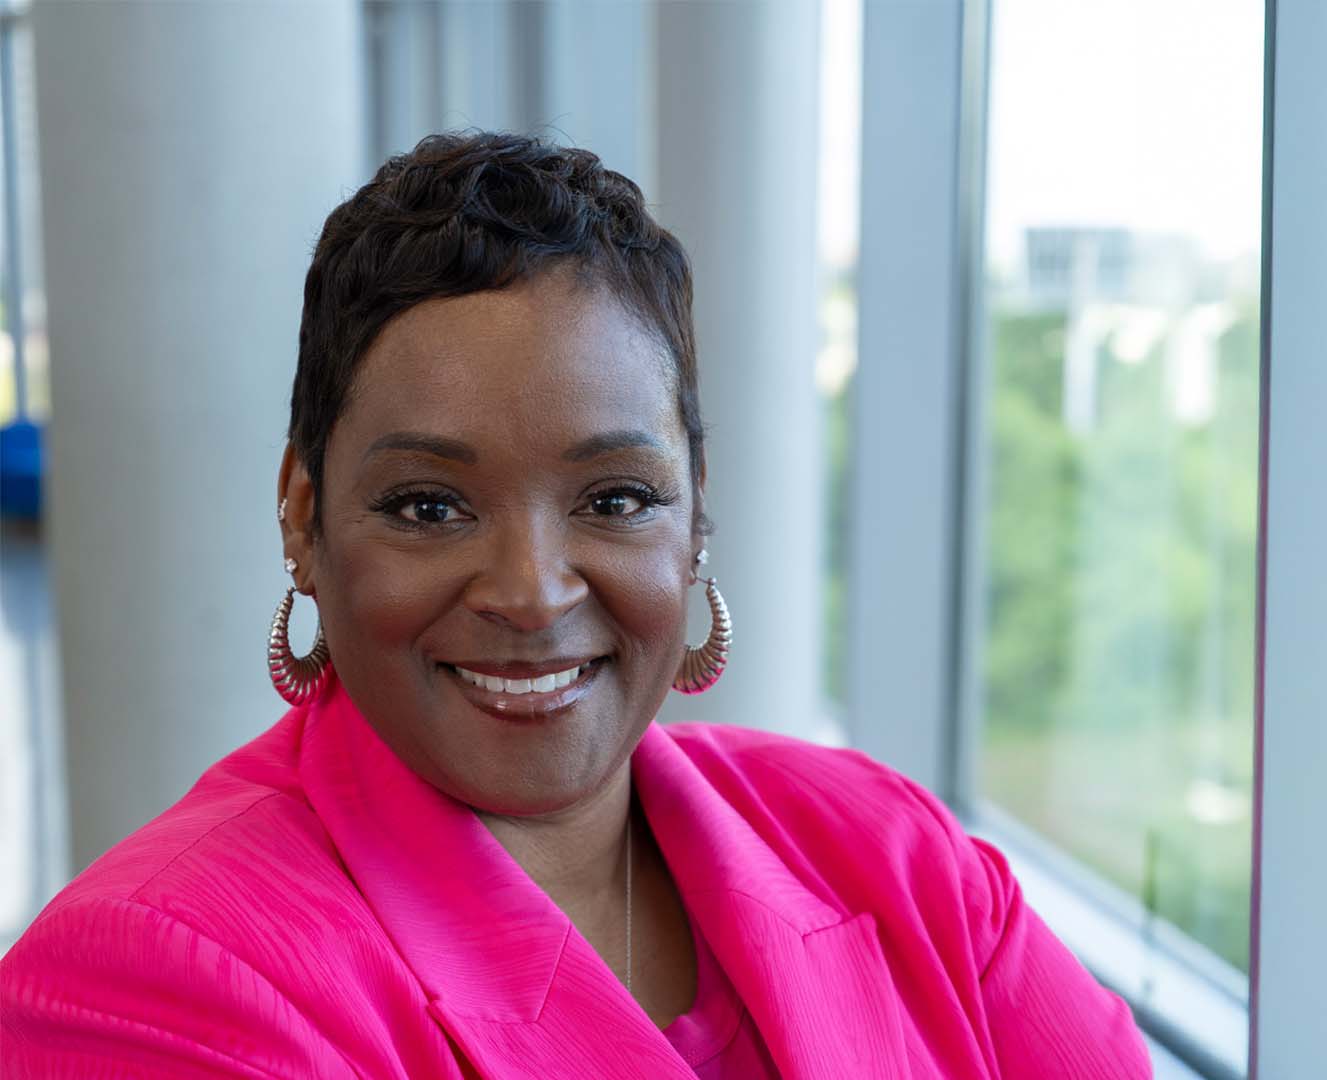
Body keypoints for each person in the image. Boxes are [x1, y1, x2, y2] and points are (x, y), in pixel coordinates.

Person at [0, 132, 1150, 1078]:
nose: (530, 592)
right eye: (429, 506)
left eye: (614, 498)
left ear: (695, 516)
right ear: (304, 516)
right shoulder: (153, 980)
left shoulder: (899, 859)